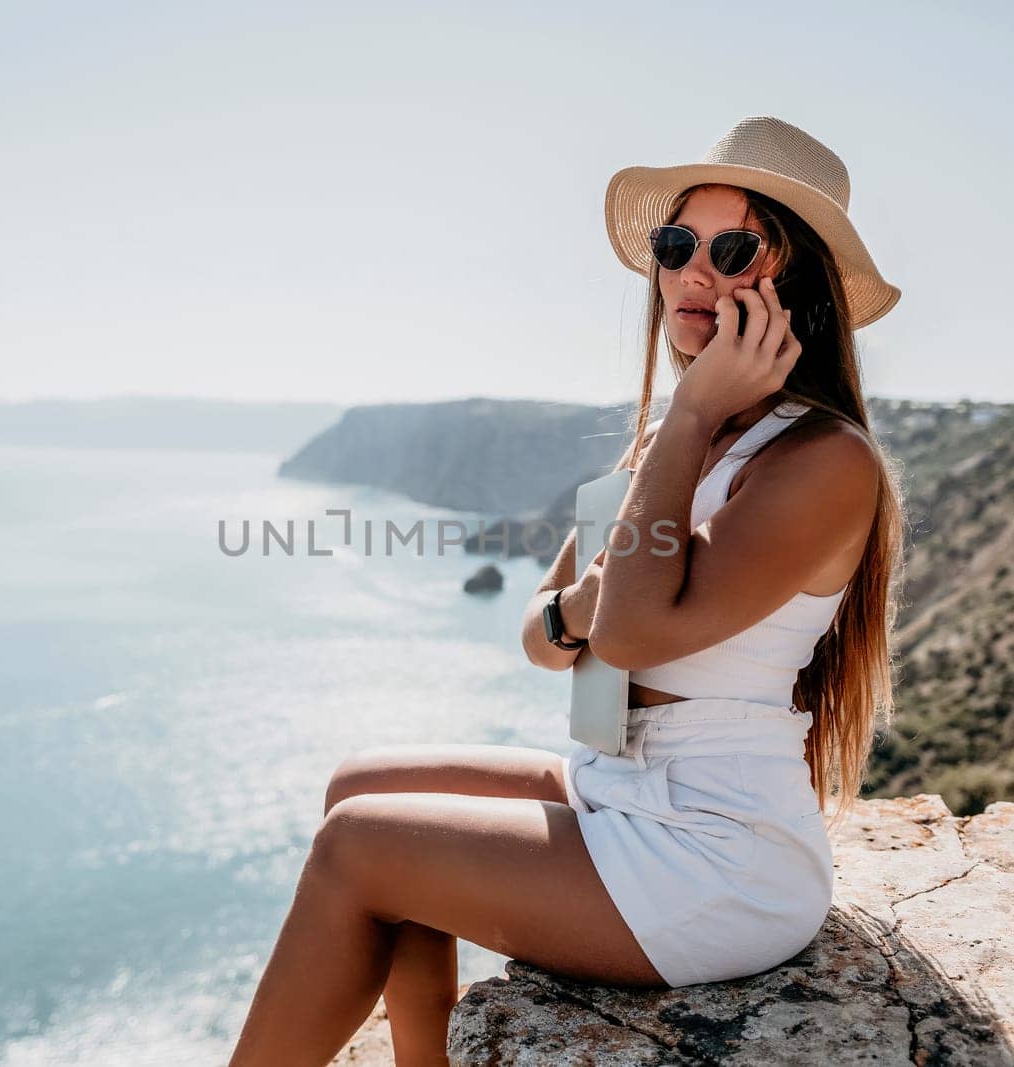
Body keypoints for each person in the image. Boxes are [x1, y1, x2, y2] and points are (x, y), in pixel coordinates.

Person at [228, 114, 906, 1067]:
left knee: (359, 845)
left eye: (732, 247)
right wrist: (602, 581)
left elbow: (619, 635)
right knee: (359, 785)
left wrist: (690, 417)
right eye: (676, 245)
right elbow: (545, 638)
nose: (691, 270)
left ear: (794, 283)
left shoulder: (824, 461)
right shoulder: (668, 448)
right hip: (618, 786)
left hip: (717, 849)